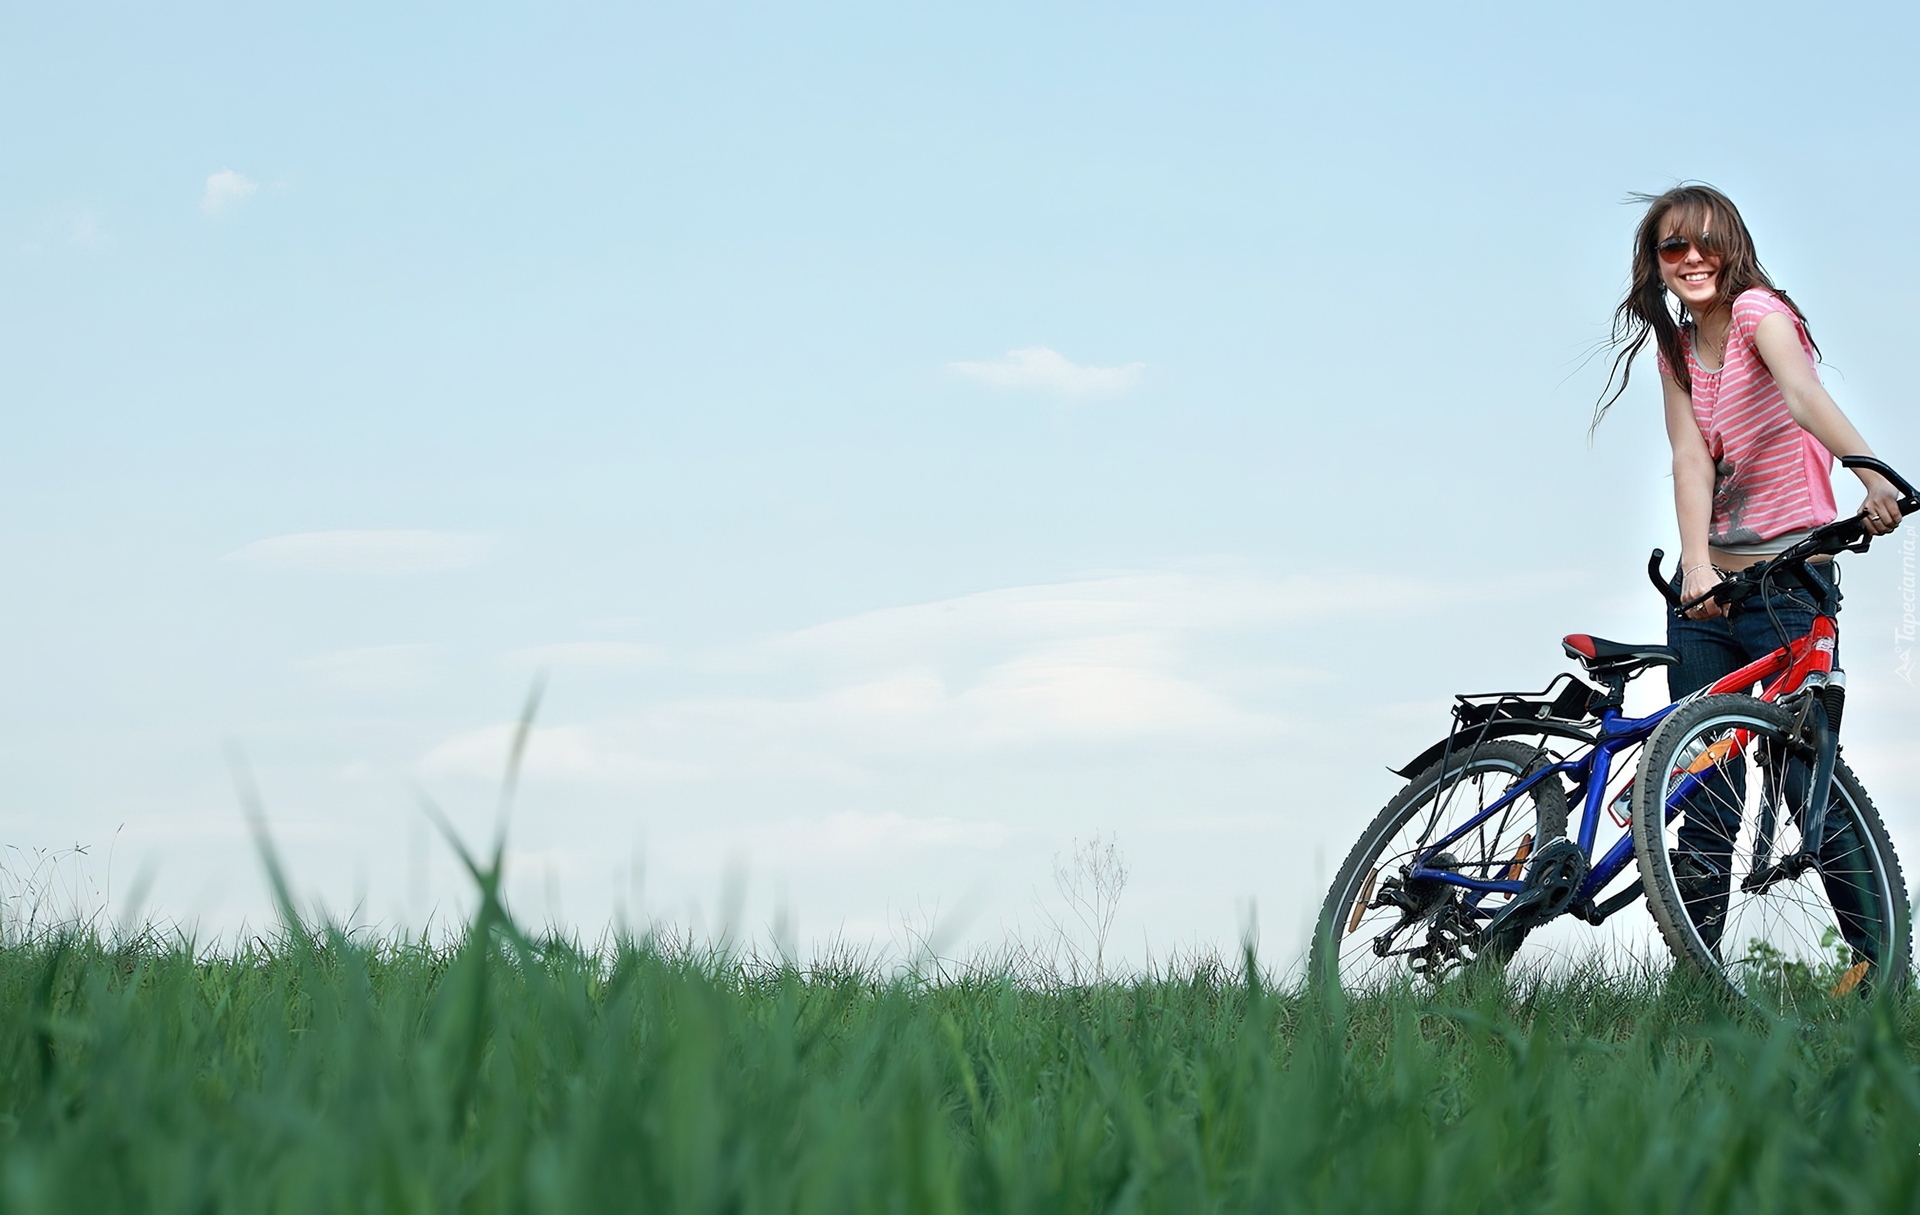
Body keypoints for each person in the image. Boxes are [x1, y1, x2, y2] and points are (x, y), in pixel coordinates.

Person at [1596, 183, 1903, 951]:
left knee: (1808, 780)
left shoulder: (1762, 315)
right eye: (1674, 247)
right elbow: (1689, 457)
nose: (1692, 258)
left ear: (1731, 249)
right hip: (1710, 595)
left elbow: (1802, 395)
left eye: (1706, 243)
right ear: (1656, 263)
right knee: (1704, 791)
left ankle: (1877, 972)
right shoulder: (1673, 349)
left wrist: (1870, 473)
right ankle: (1697, 983)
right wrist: (1694, 565)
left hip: (1791, 585)